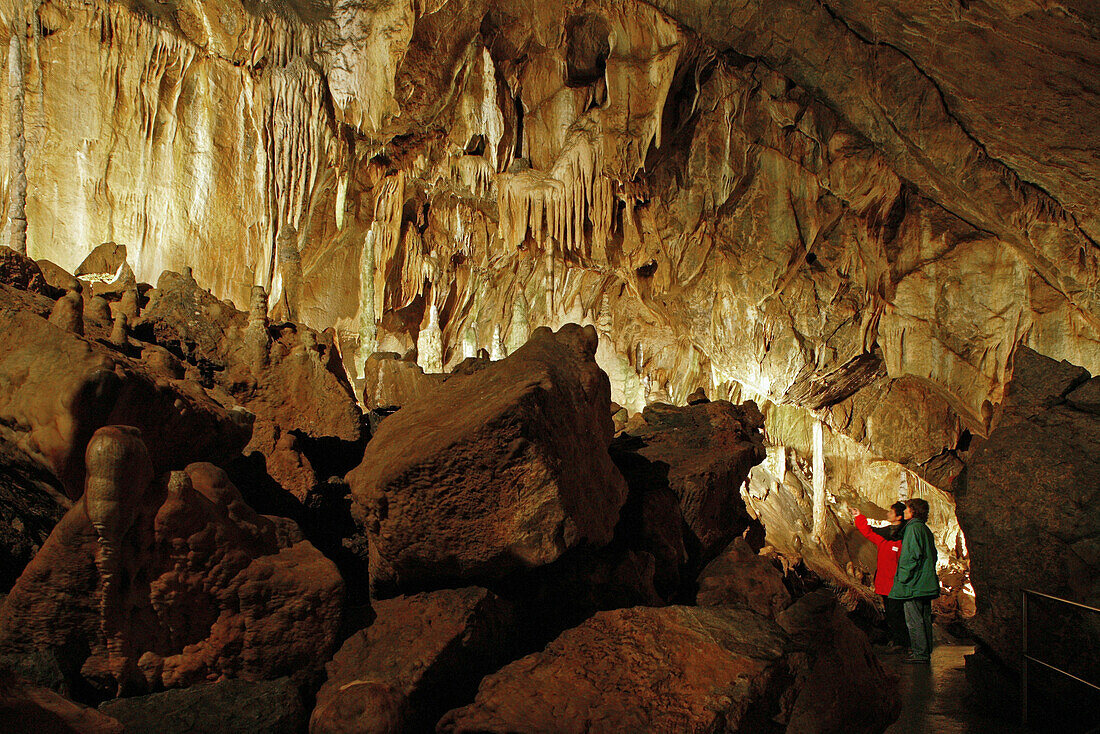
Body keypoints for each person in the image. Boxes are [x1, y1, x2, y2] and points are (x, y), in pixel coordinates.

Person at [851, 502, 909, 651]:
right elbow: (869, 532)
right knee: (891, 612)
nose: (887, 514)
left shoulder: (905, 538)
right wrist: (859, 517)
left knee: (897, 613)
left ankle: (902, 642)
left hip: (898, 582)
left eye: (891, 512)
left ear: (899, 517)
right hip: (885, 581)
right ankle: (897, 640)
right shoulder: (885, 536)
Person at [889, 497, 940, 664]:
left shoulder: (913, 529)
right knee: (924, 618)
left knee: (914, 619)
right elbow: (933, 555)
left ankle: (920, 653)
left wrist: (903, 577)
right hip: (926, 582)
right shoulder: (924, 529)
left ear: (913, 511)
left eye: (907, 509)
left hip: (914, 584)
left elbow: (911, 556)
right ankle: (925, 651)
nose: (904, 512)